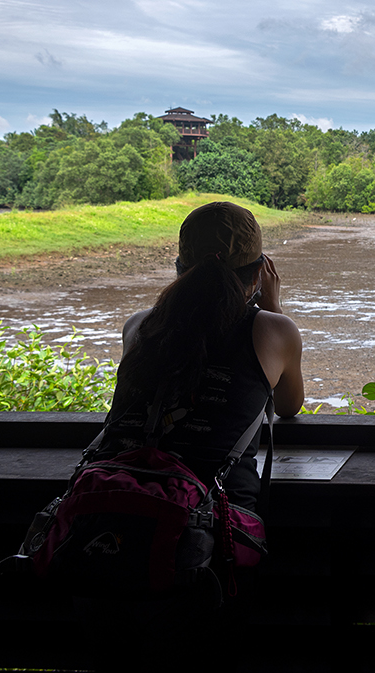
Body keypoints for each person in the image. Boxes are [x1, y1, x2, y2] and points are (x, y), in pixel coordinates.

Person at [99, 200, 304, 514]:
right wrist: (273, 310)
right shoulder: (274, 330)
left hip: (110, 506)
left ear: (180, 269)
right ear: (258, 275)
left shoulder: (138, 326)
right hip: (213, 525)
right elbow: (288, 405)